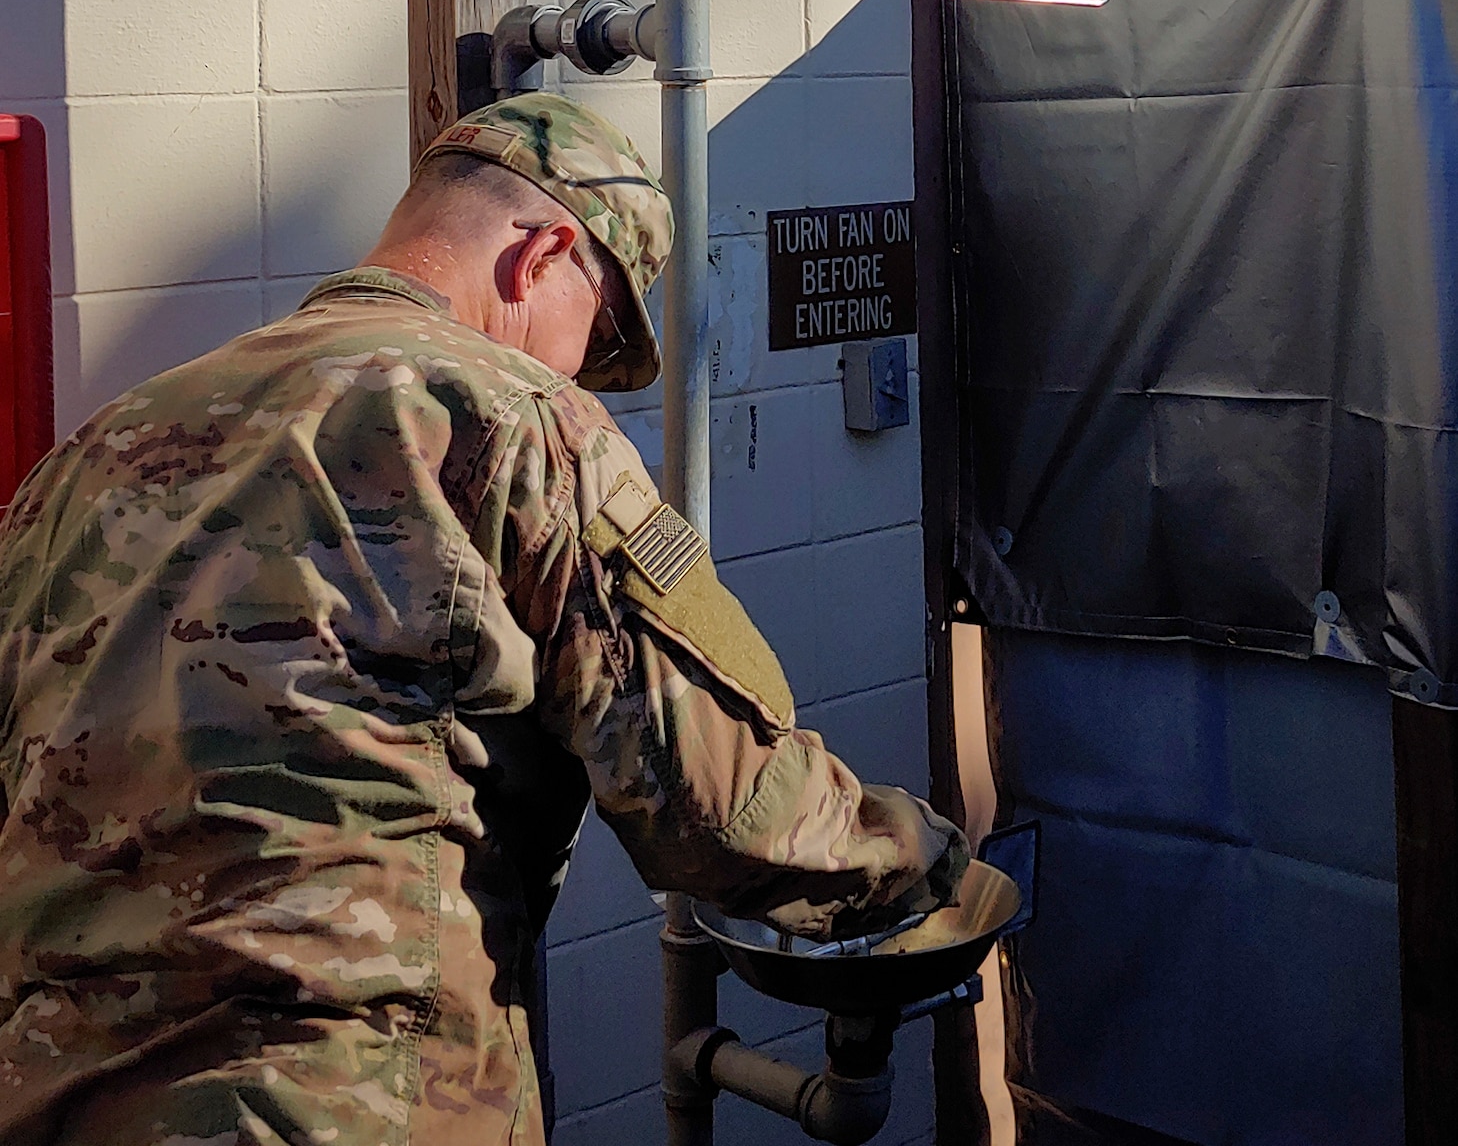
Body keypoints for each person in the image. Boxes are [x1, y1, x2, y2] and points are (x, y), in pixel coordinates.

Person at [0, 93, 968, 1146]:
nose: (576, 367)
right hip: (343, 1098)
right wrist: (923, 862)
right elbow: (724, 800)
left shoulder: (94, 450)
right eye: (595, 329)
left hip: (55, 1095)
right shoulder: (513, 416)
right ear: (543, 253)